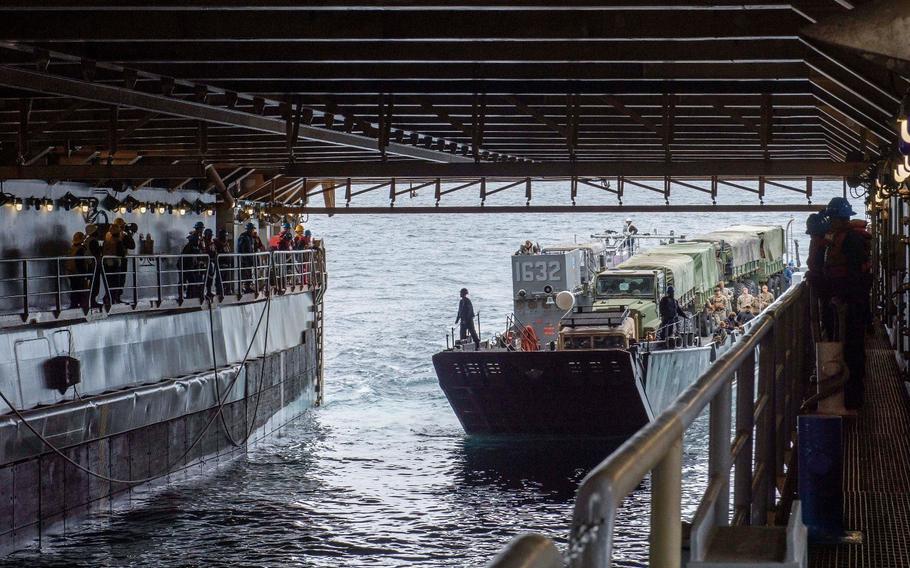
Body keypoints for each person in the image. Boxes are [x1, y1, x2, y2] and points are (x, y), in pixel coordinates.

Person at [824, 196, 870, 410]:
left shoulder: (851, 240)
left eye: (832, 217)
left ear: (838, 218)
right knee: (849, 346)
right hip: (849, 300)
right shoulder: (846, 238)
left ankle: (853, 396)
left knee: (851, 347)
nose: (830, 222)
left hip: (851, 302)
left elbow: (853, 273)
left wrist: (843, 298)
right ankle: (850, 393)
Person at [102, 218, 135, 303]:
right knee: (119, 280)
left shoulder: (107, 235)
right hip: (119, 261)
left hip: (107, 261)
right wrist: (128, 234)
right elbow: (132, 245)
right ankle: (116, 298)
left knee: (110, 280)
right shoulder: (121, 235)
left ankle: (109, 297)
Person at [65, 231, 90, 309]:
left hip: (71, 272)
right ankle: (80, 304)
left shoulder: (72, 248)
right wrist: (85, 274)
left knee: (74, 289)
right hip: (78, 273)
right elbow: (81, 262)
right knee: (80, 289)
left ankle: (74, 304)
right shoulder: (81, 249)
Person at [84, 224, 103, 308]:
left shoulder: (87, 240)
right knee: (95, 283)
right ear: (93, 232)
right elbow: (96, 253)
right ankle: (92, 300)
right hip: (93, 265)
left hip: (88, 264)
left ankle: (90, 300)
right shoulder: (93, 241)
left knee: (91, 283)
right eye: (96, 230)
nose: (98, 232)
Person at [181, 233, 204, 299]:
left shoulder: (194, 247)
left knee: (193, 281)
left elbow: (198, 257)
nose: (198, 242)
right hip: (185, 267)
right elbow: (188, 259)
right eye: (197, 240)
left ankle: (191, 294)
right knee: (189, 281)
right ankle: (188, 295)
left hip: (190, 267)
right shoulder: (189, 247)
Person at [237, 222, 258, 293]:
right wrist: (244, 258)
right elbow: (242, 249)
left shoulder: (251, 238)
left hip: (249, 259)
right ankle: (244, 288)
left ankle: (248, 287)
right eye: (252, 230)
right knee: (245, 274)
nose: (253, 231)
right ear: (248, 230)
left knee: (249, 274)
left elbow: (252, 248)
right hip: (244, 259)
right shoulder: (243, 237)